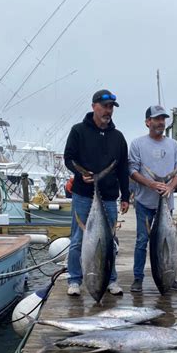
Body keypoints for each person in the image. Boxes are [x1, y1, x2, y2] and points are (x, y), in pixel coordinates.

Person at [64, 89, 130, 296]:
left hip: (109, 197)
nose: (108, 111)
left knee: (109, 240)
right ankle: (74, 279)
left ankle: (110, 280)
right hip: (83, 194)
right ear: (94, 106)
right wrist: (80, 174)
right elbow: (69, 158)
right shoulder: (78, 131)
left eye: (111, 107)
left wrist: (125, 196)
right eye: (104, 106)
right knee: (78, 239)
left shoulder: (118, 137)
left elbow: (122, 169)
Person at [128, 105, 177, 292]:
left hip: (166, 204)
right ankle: (138, 278)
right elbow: (132, 170)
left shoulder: (174, 145)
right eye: (157, 119)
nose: (161, 122)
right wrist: (151, 184)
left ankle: (170, 275)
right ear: (148, 122)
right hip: (144, 202)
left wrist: (170, 186)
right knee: (141, 242)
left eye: (163, 119)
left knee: (168, 242)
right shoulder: (137, 144)